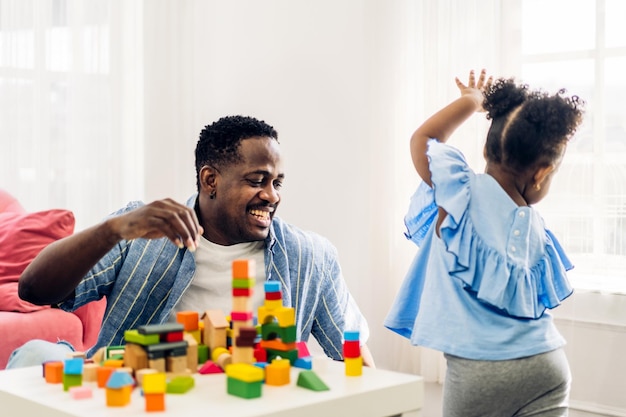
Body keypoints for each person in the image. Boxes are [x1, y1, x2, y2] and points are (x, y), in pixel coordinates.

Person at [10, 115, 374, 368]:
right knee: (33, 354)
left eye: (276, 183)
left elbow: (353, 353)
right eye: (257, 180)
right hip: (139, 396)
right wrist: (112, 229)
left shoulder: (310, 256)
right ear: (210, 179)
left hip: (251, 399)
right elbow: (34, 290)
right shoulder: (141, 233)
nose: (271, 196)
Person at [384, 69, 584, 416]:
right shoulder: (538, 231)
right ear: (541, 173)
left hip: (480, 372)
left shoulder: (458, 191)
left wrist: (472, 100)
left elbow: (424, 138)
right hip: (547, 364)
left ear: (484, 149)